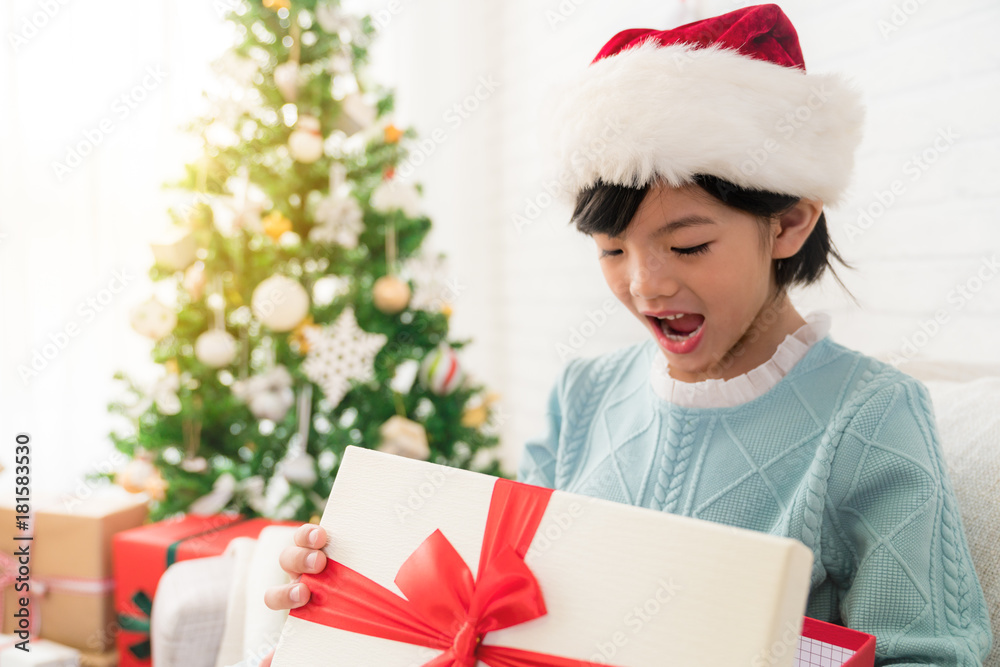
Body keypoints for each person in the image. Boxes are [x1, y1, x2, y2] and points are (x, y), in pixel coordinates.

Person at [250, 4, 993, 666]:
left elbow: (935, 653)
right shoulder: (587, 393)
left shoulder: (871, 414)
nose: (645, 285)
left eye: (688, 245)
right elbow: (494, 596)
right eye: (613, 250)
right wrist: (341, 580)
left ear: (790, 221)